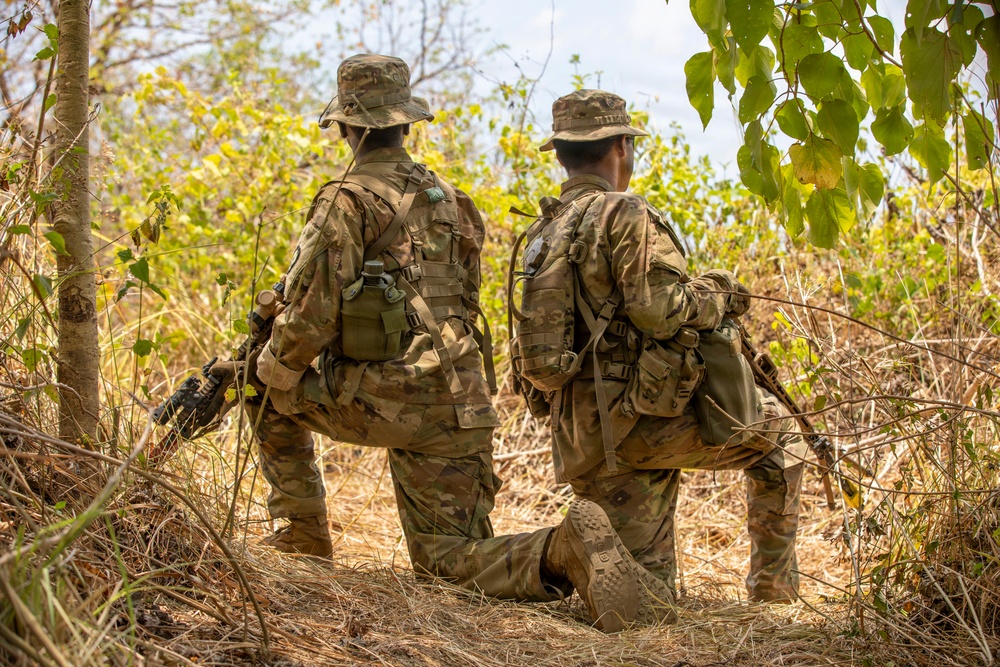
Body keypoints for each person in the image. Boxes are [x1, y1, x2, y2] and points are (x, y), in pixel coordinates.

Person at [210, 55, 671, 632]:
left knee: (260, 384)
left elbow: (308, 318)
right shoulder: (453, 201)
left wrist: (265, 369)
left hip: (388, 397)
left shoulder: (345, 200)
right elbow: (467, 300)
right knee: (448, 560)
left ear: (347, 128)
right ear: (405, 124)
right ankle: (561, 548)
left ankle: (302, 547)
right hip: (461, 402)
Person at [521, 89, 807, 605]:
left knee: (648, 601)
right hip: (641, 423)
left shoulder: (545, 230)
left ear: (560, 154)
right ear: (621, 148)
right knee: (784, 439)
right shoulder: (622, 211)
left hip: (584, 438)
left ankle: (577, 558)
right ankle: (774, 598)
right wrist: (719, 291)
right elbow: (660, 309)